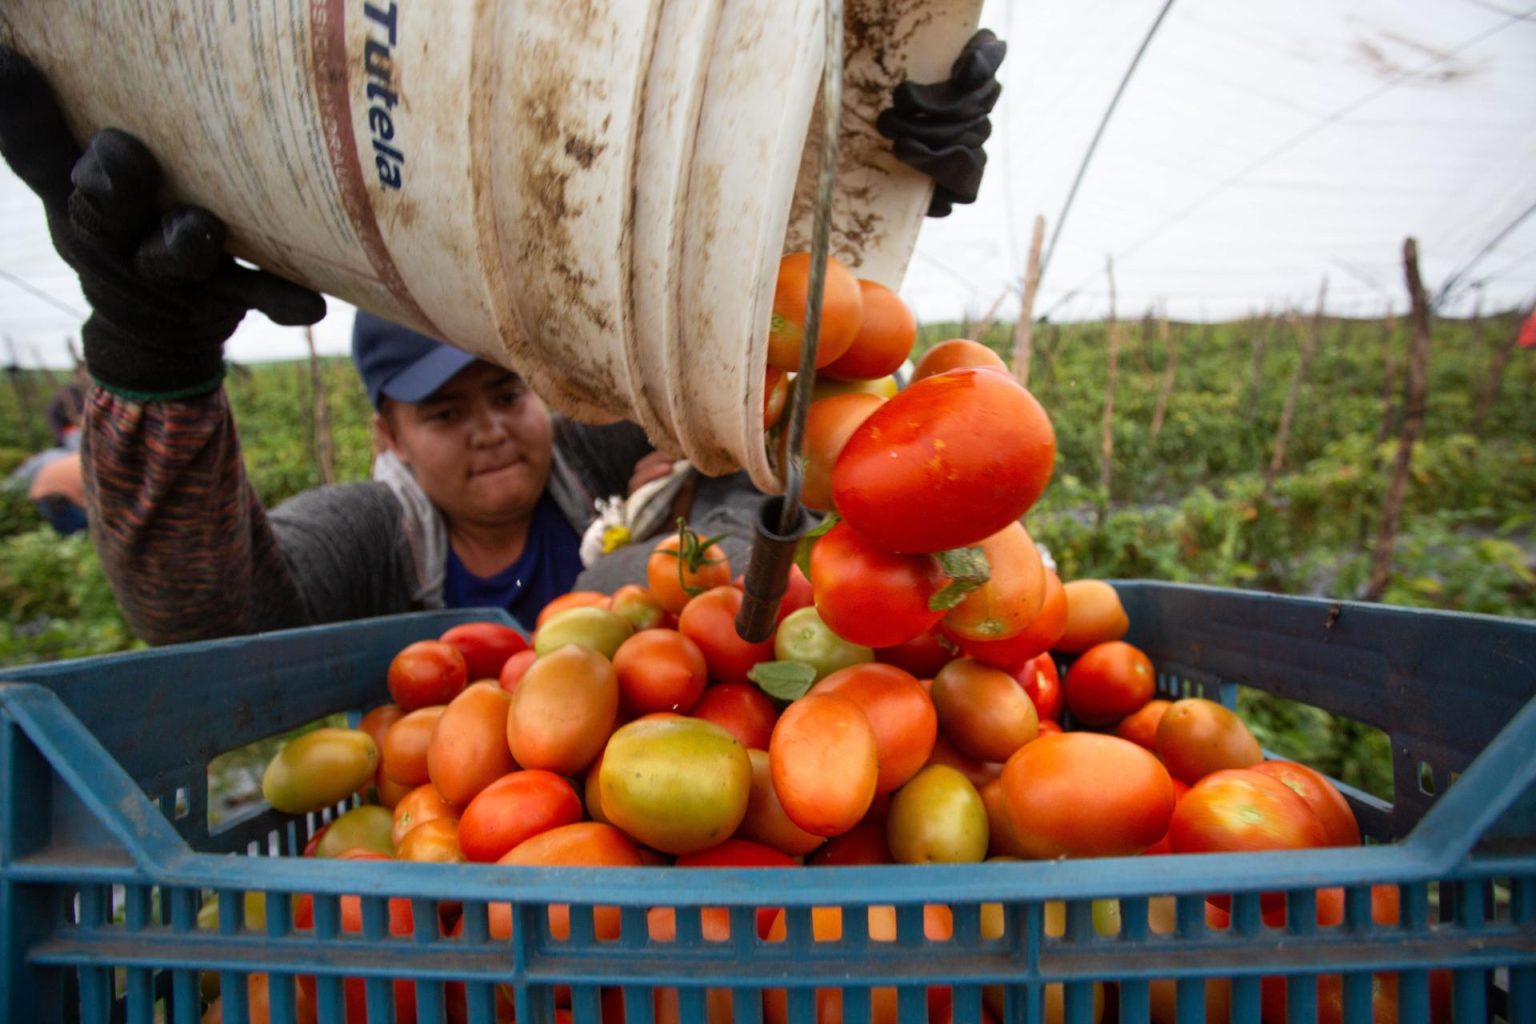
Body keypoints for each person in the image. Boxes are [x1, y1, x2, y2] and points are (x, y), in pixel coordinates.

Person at [0, 33, 1005, 644]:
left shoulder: (594, 451)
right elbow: (208, 615)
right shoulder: (374, 539)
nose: (489, 429)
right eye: (443, 411)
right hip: (472, 877)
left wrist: (856, 211)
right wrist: (151, 361)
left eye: (504, 392)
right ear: (388, 434)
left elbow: (770, 422)